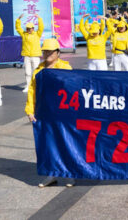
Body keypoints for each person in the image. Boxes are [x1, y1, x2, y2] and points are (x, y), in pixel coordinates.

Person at [24, 38, 74, 188]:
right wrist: (30, 110)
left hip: (63, 113)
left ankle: (69, 174)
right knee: (47, 144)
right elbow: (32, 90)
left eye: (51, 51)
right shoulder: (39, 70)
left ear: (58, 52)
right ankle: (51, 174)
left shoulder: (65, 68)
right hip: (44, 112)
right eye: (45, 51)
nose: (47, 54)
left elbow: (73, 89)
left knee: (65, 142)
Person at [16, 13, 44, 93]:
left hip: (35, 56)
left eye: (30, 28)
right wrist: (18, 19)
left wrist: (39, 18)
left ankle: (37, 86)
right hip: (27, 56)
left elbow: (41, 28)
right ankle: (28, 86)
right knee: (27, 72)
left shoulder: (37, 34)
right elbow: (18, 28)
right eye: (27, 28)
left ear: (33, 28)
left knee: (36, 72)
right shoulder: (24, 34)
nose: (28, 30)